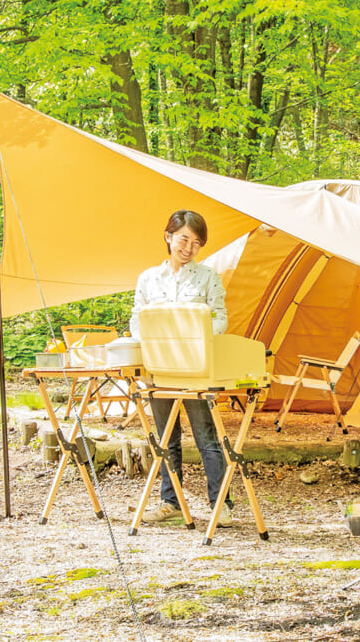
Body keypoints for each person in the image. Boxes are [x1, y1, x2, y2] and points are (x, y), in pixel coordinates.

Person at [129, 210, 233, 527]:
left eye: (196, 243)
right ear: (169, 236)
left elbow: (221, 319)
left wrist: (193, 334)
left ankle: (221, 505)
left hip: (196, 369)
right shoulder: (148, 278)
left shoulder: (208, 277)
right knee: (165, 439)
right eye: (184, 239)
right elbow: (136, 320)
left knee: (207, 437)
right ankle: (169, 502)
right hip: (159, 368)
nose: (189, 247)